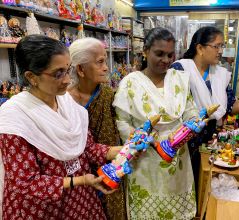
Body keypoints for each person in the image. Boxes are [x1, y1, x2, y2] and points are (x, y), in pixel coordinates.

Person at [0, 35, 124, 219]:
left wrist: (123, 150)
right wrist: (80, 180)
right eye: (58, 73)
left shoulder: (66, 103)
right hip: (42, 209)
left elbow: (87, 149)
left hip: (81, 202)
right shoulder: (15, 117)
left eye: (68, 70)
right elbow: (24, 184)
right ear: (31, 77)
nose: (67, 80)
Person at [113, 27, 198, 219]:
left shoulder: (179, 79)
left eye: (170, 55)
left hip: (177, 155)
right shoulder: (130, 83)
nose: (166, 60)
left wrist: (192, 125)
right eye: (159, 54)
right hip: (144, 157)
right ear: (145, 51)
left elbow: (190, 110)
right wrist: (148, 141)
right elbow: (123, 123)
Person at [171, 26, 239, 187]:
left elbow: (230, 106)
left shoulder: (219, 74)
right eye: (216, 46)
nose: (220, 51)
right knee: (182, 182)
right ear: (200, 48)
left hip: (208, 141)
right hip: (184, 140)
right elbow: (173, 107)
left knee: (201, 182)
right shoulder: (181, 69)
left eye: (222, 46)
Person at [68, 37, 127, 220]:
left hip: (110, 169)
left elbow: (116, 128)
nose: (106, 67)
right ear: (80, 69)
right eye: (100, 62)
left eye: (105, 60)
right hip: (78, 175)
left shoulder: (108, 94)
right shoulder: (65, 101)